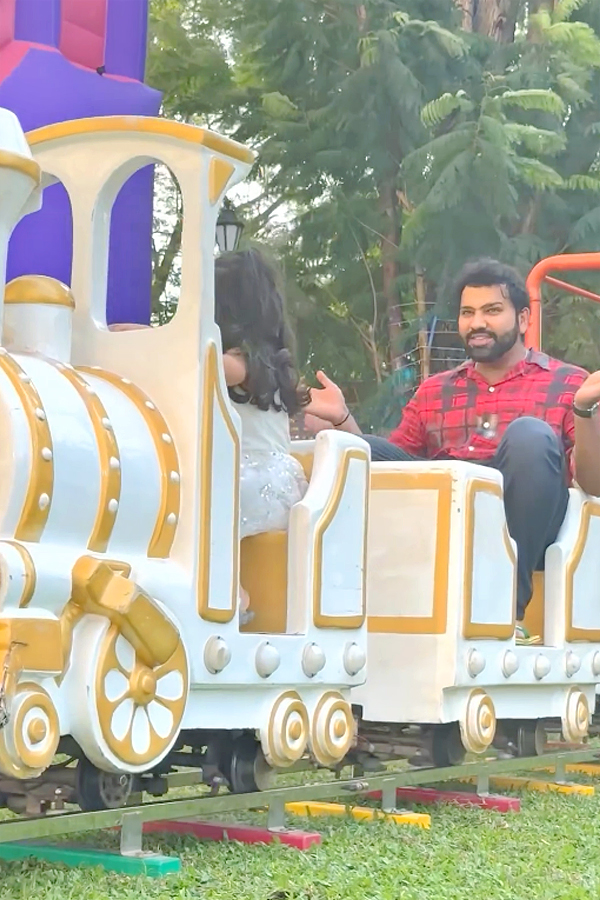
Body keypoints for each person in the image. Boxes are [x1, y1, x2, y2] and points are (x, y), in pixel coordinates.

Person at [304, 258, 600, 644]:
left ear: (523, 319)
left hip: (528, 522)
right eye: (467, 313)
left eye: (491, 311)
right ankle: (342, 603)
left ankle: (504, 608)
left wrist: (584, 410)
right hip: (447, 522)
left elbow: (593, 484)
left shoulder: (567, 382)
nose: (477, 323)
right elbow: (392, 469)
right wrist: (344, 423)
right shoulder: (435, 390)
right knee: (360, 450)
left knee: (529, 436)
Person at [215, 249, 311, 622]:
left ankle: (230, 593)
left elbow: (200, 359)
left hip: (262, 481)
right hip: (260, 479)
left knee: (202, 498)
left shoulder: (241, 363)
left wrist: (150, 338)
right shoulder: (266, 362)